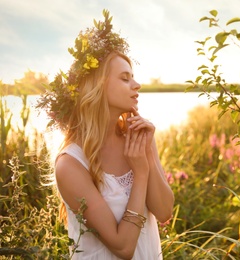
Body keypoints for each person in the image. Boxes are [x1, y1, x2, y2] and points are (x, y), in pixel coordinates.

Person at [38, 10, 174, 259]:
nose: (136, 85)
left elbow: (164, 212)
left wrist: (147, 154)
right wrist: (140, 172)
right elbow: (123, 247)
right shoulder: (71, 164)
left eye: (133, 77)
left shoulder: (138, 138)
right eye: (125, 78)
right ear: (97, 87)